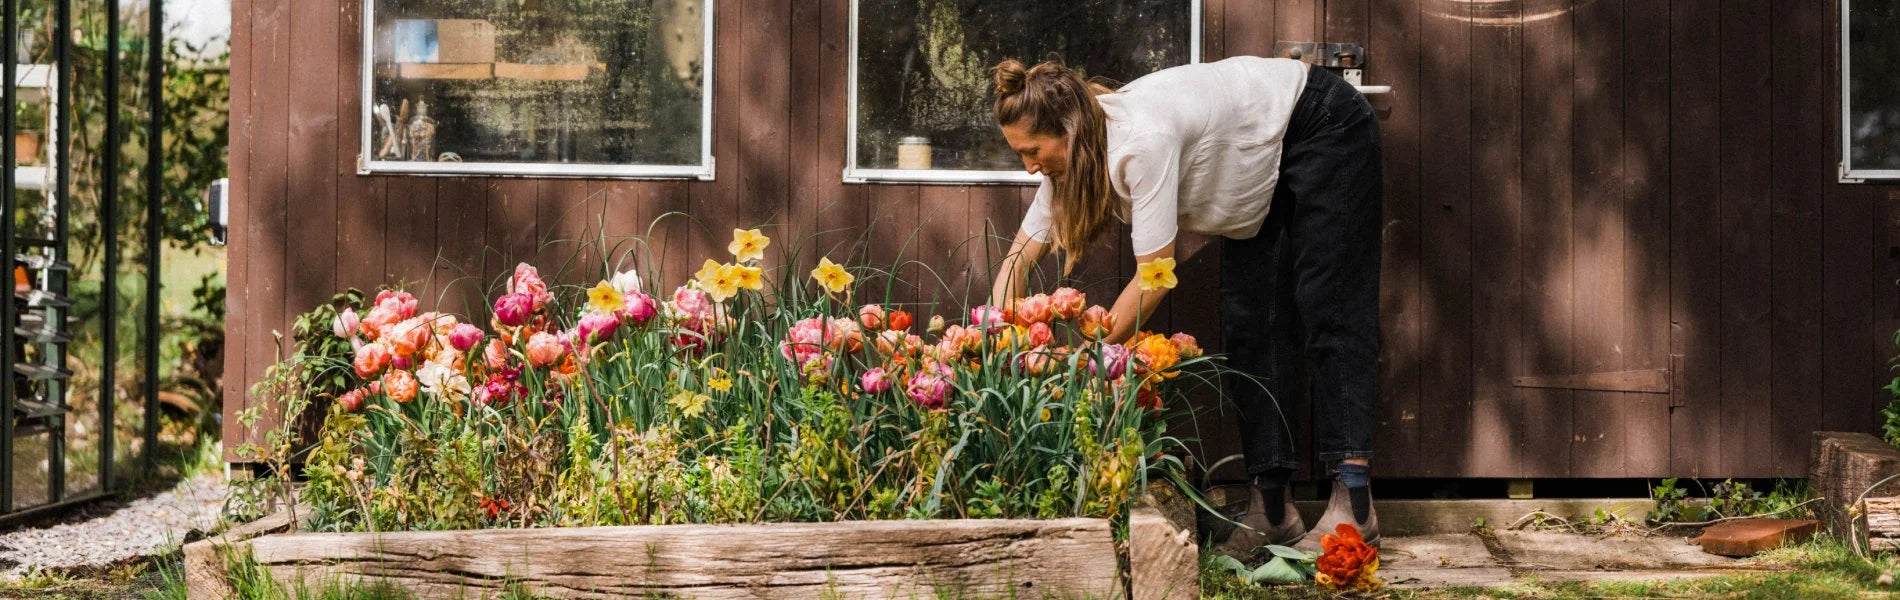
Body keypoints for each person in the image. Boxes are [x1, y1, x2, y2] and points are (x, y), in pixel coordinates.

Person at [985, 56, 1383, 553]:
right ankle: (1273, 511)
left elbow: (1156, 276)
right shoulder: (1076, 150)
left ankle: (1354, 506)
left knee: (1332, 306)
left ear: (1066, 131)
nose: (1028, 166)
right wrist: (993, 340)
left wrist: (1087, 359)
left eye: (1033, 151)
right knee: (1250, 322)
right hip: (1260, 162)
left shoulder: (1140, 141)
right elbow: (1018, 259)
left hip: (1319, 121)